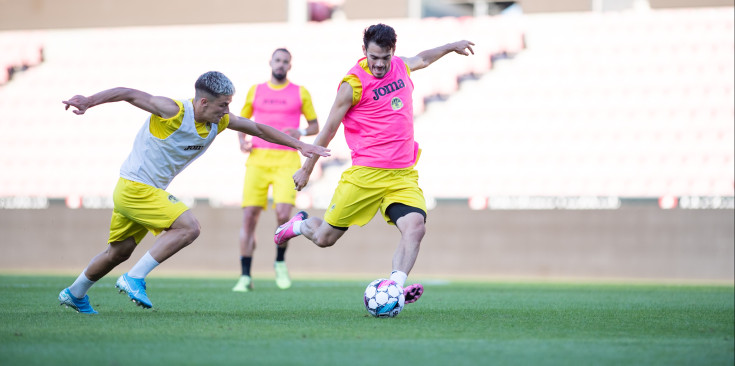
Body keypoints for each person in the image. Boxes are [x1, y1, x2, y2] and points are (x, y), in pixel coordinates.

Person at [57, 71, 330, 314]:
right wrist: (88, 101)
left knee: (118, 252)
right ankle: (134, 278)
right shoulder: (172, 110)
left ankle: (75, 293)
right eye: (223, 105)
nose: (226, 111)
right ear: (203, 102)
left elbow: (257, 128)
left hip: (145, 191)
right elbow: (128, 94)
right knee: (189, 227)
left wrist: (299, 145)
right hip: (134, 187)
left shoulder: (219, 122)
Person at [274, 24, 474, 306]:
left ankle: (395, 288)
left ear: (393, 51)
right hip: (365, 176)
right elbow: (328, 129)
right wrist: (307, 169)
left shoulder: (401, 66)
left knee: (416, 226)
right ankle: (300, 225)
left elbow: (424, 58)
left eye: (385, 57)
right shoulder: (351, 84)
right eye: (374, 57)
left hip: (402, 175)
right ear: (364, 51)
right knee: (323, 238)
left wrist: (451, 46)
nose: (380, 64)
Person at [232, 48, 320, 292]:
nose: (281, 64)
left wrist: (301, 132)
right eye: (277, 60)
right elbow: (241, 119)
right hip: (258, 159)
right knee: (249, 217)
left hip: (286, 160)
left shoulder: (300, 92)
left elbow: (314, 125)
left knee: (283, 215)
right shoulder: (256, 90)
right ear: (270, 62)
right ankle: (245, 276)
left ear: (290, 66)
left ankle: (280, 262)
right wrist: (241, 141)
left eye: (285, 61)